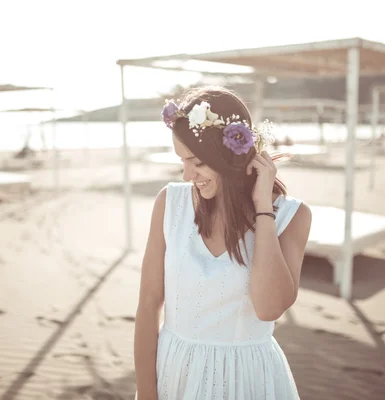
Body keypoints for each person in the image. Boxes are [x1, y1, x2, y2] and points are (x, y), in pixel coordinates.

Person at [134, 86, 312, 399]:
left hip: (248, 381)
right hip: (175, 373)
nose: (188, 175)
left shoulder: (291, 217)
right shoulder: (170, 203)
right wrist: (146, 394)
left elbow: (269, 308)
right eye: (182, 162)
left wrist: (263, 210)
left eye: (197, 163)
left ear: (229, 155)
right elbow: (149, 304)